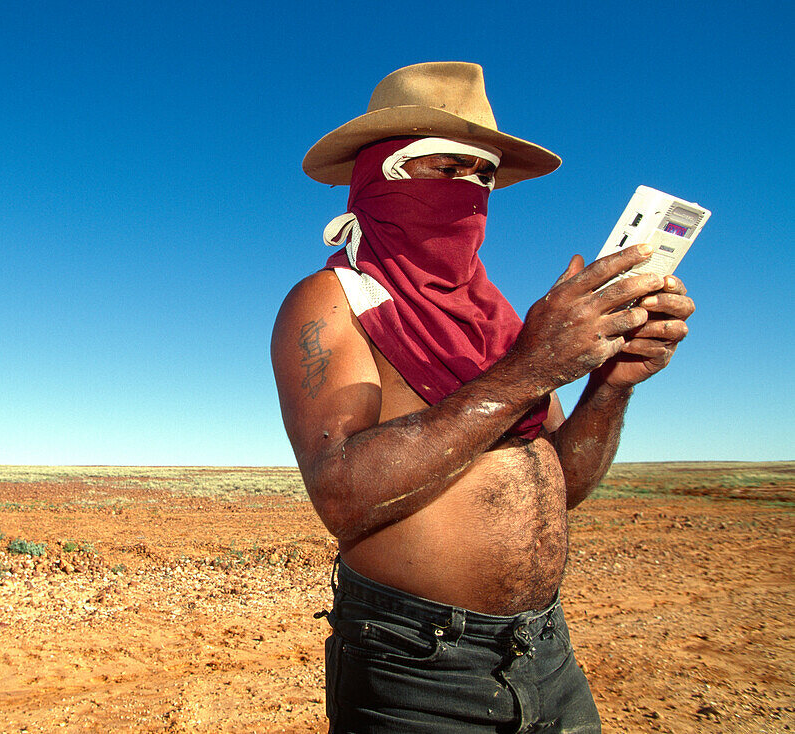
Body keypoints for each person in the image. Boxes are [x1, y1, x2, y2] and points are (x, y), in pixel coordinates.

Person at [270, 62, 695, 732]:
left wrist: (610, 385)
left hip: (547, 652)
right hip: (414, 667)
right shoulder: (331, 304)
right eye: (444, 168)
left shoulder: (499, 322)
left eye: (483, 175)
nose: (468, 190)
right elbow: (342, 494)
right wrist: (534, 368)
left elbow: (560, 483)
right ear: (382, 174)